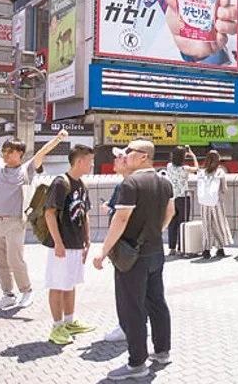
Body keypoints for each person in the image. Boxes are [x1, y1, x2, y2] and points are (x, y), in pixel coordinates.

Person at [93, 140, 175, 381]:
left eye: (129, 152)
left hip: (132, 258)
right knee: (157, 302)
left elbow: (120, 219)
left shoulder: (131, 183)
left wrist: (103, 252)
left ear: (143, 157)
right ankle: (162, 352)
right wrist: (154, 231)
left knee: (133, 309)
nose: (125, 155)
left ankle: (137, 363)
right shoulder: (164, 181)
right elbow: (170, 212)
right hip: (155, 252)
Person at [0, 121, 69, 310]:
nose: (5, 154)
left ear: (19, 154)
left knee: (15, 260)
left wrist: (58, 138)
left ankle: (27, 291)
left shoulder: (26, 169)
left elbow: (42, 152)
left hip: (14, 222)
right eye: (4, 150)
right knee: (0, 261)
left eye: (10, 151)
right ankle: (7, 294)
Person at [43, 145, 96, 345]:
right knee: (57, 284)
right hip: (62, 245)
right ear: (79, 161)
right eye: (89, 161)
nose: (91, 164)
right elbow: (49, 213)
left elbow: (85, 212)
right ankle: (56, 327)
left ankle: (69, 321)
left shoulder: (82, 183)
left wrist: (88, 239)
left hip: (76, 243)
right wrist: (57, 242)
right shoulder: (60, 183)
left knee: (70, 284)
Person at [102, 147, 134, 343]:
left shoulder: (125, 187)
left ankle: (125, 326)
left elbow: (120, 218)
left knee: (124, 288)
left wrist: (104, 251)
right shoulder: (149, 182)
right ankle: (137, 324)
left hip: (125, 247)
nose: (115, 160)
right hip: (142, 246)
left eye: (120, 157)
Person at [196, 150, 233, 259]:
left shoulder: (202, 172)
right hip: (216, 202)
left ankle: (206, 250)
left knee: (207, 225)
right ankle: (220, 248)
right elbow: (224, 189)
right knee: (219, 225)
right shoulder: (220, 172)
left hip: (204, 202)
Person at [165, 146, 198, 255]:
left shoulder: (169, 166)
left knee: (172, 223)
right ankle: (181, 247)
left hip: (171, 198)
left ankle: (172, 248)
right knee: (183, 223)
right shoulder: (185, 168)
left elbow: (172, 160)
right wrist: (193, 155)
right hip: (183, 197)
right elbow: (196, 169)